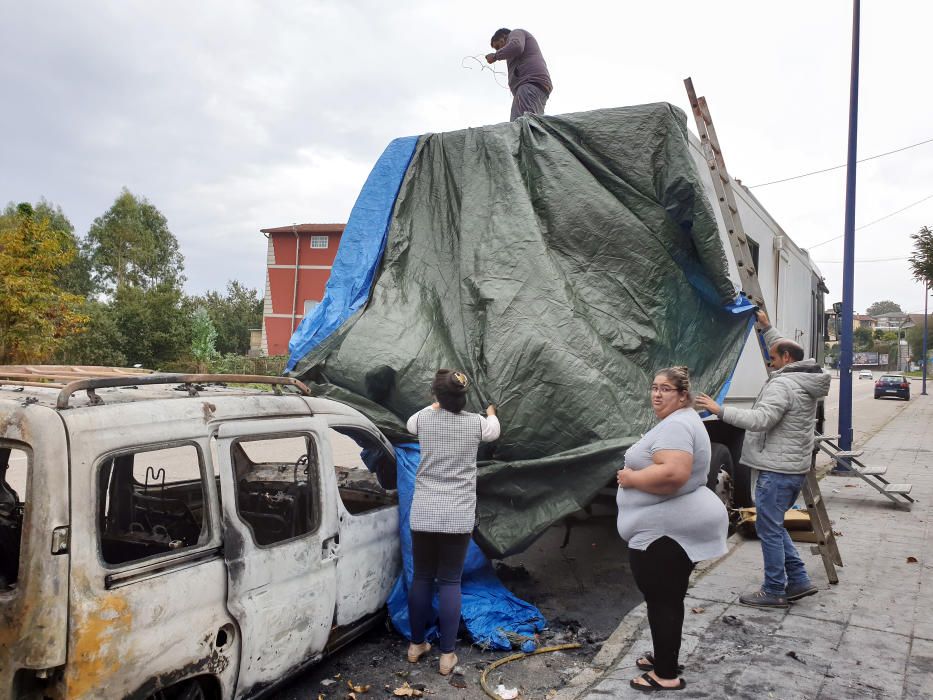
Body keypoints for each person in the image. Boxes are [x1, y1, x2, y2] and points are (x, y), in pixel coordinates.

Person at [695, 310, 831, 609]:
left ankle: (773, 590)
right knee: (774, 526)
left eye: (772, 357)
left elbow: (761, 419)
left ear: (785, 359)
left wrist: (720, 411)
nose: (769, 362)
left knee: (768, 530)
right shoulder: (805, 377)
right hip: (791, 468)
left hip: (776, 471)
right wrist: (768, 329)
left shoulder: (783, 385)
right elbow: (786, 347)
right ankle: (798, 580)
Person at [616, 366, 729, 692]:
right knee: (667, 598)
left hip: (667, 533)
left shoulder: (677, 424)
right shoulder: (683, 420)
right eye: (654, 387)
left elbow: (673, 475)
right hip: (673, 527)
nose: (656, 394)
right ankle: (665, 656)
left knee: (663, 600)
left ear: (682, 395)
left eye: (665, 389)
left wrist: (630, 478)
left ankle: (665, 675)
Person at [404, 369, 500, 676]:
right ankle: (447, 656)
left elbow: (411, 422)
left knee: (421, 577)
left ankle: (416, 645)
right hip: (457, 516)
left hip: (425, 512)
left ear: (436, 397)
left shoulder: (423, 420)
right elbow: (494, 430)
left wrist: (435, 404)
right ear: (464, 397)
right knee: (449, 581)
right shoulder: (476, 423)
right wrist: (491, 412)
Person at [485, 28, 553, 121]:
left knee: (519, 125)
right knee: (532, 125)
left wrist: (495, 56)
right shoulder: (513, 54)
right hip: (536, 87)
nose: (498, 50)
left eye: (498, 46)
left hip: (529, 85)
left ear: (504, 37)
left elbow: (516, 46)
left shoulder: (515, 33)